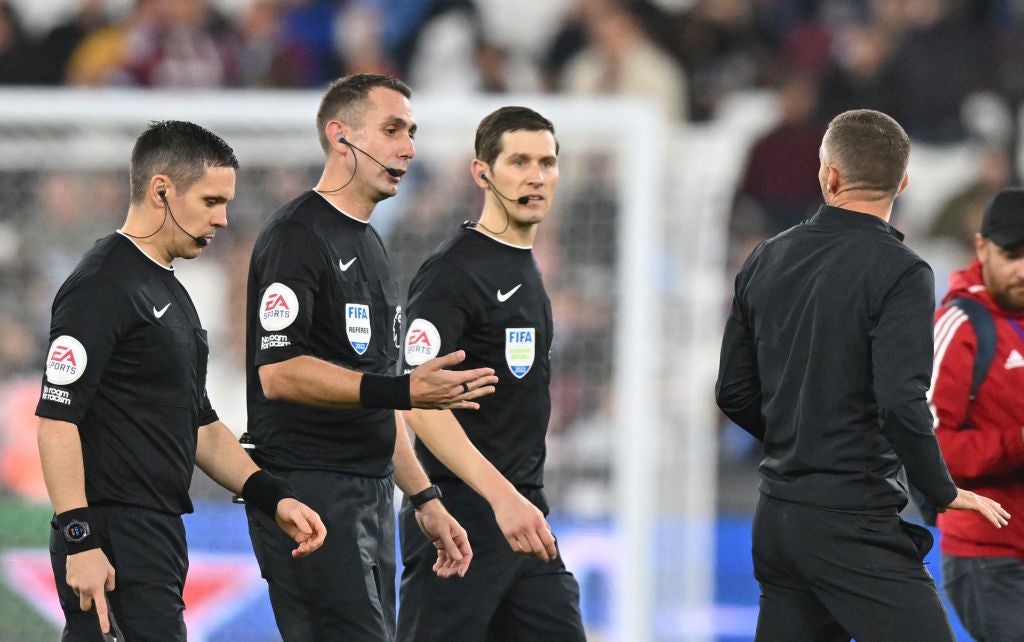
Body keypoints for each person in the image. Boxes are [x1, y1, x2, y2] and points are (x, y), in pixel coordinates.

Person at [715, 108, 1011, 641]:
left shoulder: (765, 257)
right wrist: (941, 491)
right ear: (903, 181)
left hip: (778, 516)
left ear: (828, 174)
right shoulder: (903, 272)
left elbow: (732, 392)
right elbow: (900, 402)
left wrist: (801, 435)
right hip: (851, 518)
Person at [35, 120, 327, 641]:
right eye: (211, 201)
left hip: (156, 532)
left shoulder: (170, 288)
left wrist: (273, 497)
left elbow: (201, 425)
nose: (224, 217)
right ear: (162, 190)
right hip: (112, 535)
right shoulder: (103, 285)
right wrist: (80, 539)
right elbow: (56, 420)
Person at [244, 73, 495, 641]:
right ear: (340, 136)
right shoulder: (296, 235)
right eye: (391, 130)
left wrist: (425, 498)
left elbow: (376, 391)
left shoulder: (370, 243)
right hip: (310, 494)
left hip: (370, 493)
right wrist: (405, 391)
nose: (408, 147)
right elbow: (279, 373)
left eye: (411, 131)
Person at [396, 106, 586, 641]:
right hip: (458, 520)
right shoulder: (452, 272)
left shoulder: (525, 267)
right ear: (482, 173)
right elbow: (415, 401)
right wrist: (501, 499)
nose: (536, 176)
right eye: (519, 161)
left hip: (524, 515)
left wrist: (515, 502)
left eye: (547, 162)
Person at [932, 187, 1024, 641]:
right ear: (982, 247)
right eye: (1011, 255)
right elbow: (931, 452)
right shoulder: (960, 326)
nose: (1023, 270)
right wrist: (1017, 443)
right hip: (987, 557)